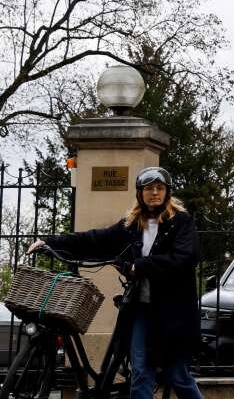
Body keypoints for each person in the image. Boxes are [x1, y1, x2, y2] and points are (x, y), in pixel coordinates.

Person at [27, 166, 203, 399]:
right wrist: (50, 243)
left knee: (178, 376)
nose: (155, 193)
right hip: (141, 308)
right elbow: (94, 240)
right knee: (141, 372)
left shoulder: (180, 222)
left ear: (167, 193)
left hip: (174, 312)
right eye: (149, 189)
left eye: (160, 188)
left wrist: (140, 266)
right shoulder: (131, 225)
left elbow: (184, 258)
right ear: (140, 193)